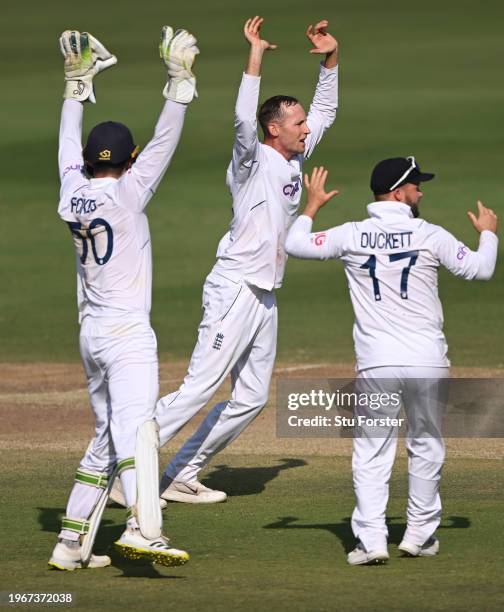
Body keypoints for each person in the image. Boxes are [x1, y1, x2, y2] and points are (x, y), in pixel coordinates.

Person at [154, 16, 339, 503]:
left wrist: (330, 60)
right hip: (235, 285)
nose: (306, 129)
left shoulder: (294, 157)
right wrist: (254, 56)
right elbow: (241, 118)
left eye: (303, 124)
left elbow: (326, 110)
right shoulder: (251, 157)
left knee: (253, 399)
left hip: (266, 294)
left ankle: (179, 474)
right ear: (274, 129)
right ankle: (121, 463)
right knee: (199, 388)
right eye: (297, 124)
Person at [285, 161, 498, 565]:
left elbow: (295, 245)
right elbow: (481, 269)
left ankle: (372, 542)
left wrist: (311, 207)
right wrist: (487, 233)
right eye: (416, 186)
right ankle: (419, 535)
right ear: (398, 193)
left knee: (371, 451)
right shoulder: (429, 234)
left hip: (378, 363)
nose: (421, 193)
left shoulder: (351, 233)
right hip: (427, 361)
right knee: (427, 445)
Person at [49, 27, 199, 570]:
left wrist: (74, 90)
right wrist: (178, 84)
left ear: (91, 162)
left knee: (106, 438)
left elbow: (68, 149)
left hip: (90, 336)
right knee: (138, 431)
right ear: (128, 162)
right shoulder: (131, 192)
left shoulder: (73, 192)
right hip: (128, 334)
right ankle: (143, 528)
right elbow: (165, 142)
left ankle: (70, 545)